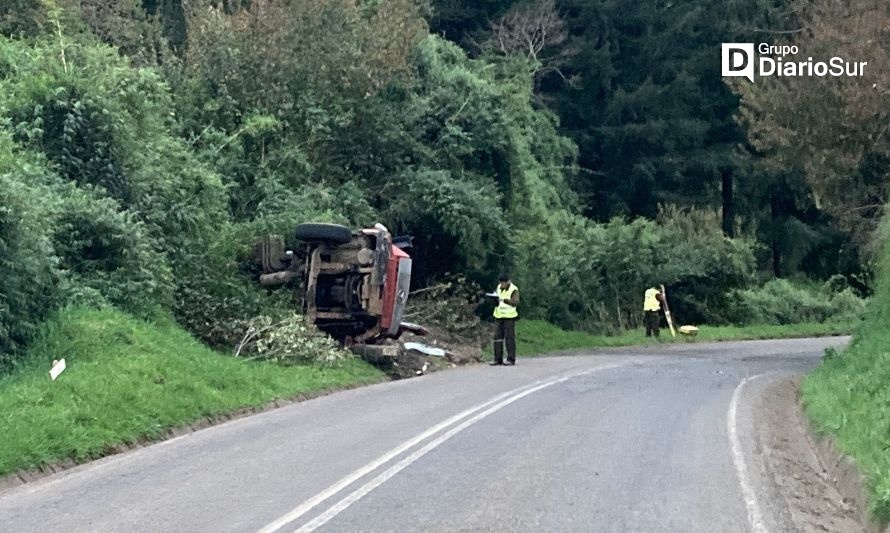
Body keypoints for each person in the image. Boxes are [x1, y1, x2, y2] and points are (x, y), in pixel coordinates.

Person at [491, 274, 520, 366]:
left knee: (509, 338)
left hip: (509, 317)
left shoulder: (513, 289)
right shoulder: (499, 287)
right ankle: (497, 359)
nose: (501, 285)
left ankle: (511, 359)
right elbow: (497, 299)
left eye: (503, 283)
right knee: (497, 338)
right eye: (500, 283)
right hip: (499, 316)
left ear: (508, 282)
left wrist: (504, 300)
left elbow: (515, 302)